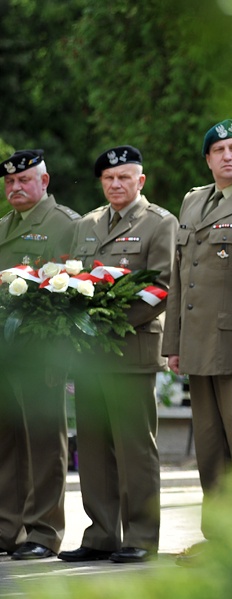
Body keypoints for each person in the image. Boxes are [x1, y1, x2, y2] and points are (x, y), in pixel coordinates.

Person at [162, 119, 232, 554]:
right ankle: (219, 537)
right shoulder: (193, 202)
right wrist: (172, 342)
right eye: (219, 150)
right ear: (208, 159)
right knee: (210, 448)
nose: (227, 156)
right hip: (196, 345)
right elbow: (180, 277)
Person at [60, 146, 176, 563]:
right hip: (90, 353)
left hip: (132, 349)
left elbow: (162, 286)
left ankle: (141, 537)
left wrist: (112, 322)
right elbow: (73, 278)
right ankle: (101, 534)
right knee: (92, 447)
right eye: (109, 179)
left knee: (133, 448)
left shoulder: (160, 223)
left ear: (140, 181)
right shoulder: (87, 224)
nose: (115, 184)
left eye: (124, 177)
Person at [0, 149, 79, 560]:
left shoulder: (64, 224)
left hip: (41, 352)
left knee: (44, 441)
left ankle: (44, 532)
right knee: (7, 442)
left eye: (24, 180)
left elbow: (77, 287)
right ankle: (6, 528)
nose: (15, 187)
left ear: (43, 182)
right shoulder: (2, 227)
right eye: (9, 182)